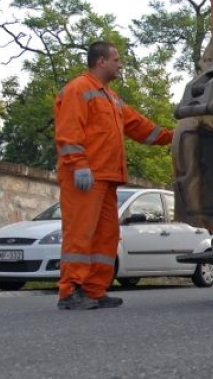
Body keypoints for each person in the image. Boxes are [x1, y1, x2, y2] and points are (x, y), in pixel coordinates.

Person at [54, 41, 174, 310]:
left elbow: (142, 128)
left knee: (106, 235)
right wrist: (78, 164)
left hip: (106, 178)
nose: (120, 64)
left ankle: (94, 290)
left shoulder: (111, 97)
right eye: (116, 59)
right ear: (100, 61)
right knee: (80, 234)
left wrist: (175, 137)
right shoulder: (78, 89)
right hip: (85, 176)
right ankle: (70, 291)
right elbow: (68, 131)